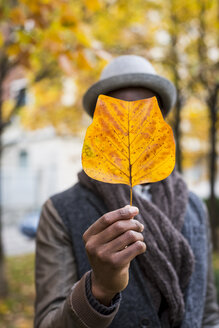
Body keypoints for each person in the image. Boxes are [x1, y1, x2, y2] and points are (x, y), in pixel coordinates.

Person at [34, 55, 219, 328]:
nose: (130, 124)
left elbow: (208, 314)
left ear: (163, 122)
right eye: (115, 112)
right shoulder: (60, 211)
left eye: (146, 112)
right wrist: (99, 289)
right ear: (98, 126)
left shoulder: (194, 207)